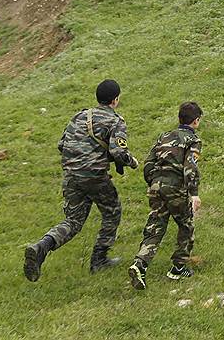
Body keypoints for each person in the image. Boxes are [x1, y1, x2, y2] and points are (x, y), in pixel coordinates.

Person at [23, 79, 138, 282]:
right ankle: (99, 261)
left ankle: (42, 246)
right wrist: (132, 162)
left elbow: (62, 144)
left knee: (73, 221)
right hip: (94, 177)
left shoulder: (80, 116)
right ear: (116, 99)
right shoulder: (115, 121)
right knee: (112, 211)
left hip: (70, 175)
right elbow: (118, 151)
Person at [128, 102, 203, 290]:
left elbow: (148, 162)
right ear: (196, 121)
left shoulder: (164, 136)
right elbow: (190, 167)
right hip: (176, 188)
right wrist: (194, 194)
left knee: (155, 227)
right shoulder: (193, 140)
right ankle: (178, 267)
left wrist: (153, 182)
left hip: (156, 187)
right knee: (186, 225)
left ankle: (140, 264)